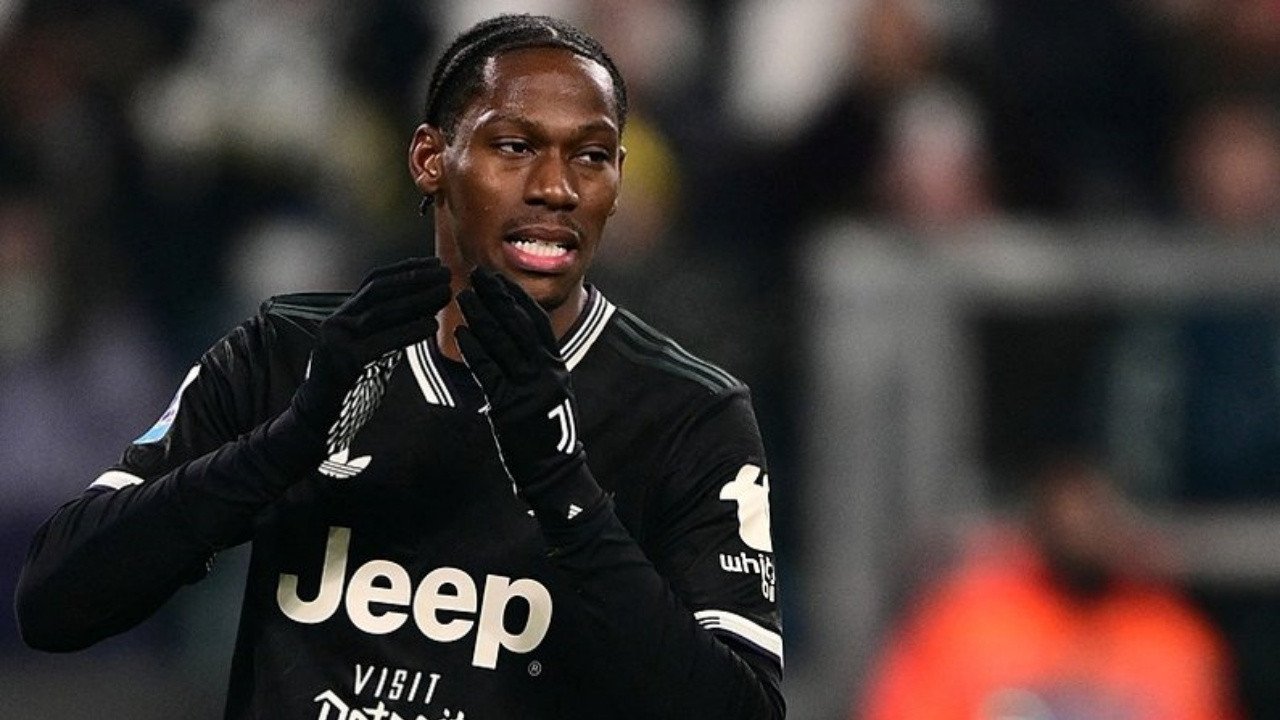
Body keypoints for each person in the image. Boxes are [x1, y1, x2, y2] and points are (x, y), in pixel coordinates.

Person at [15, 14, 784, 720]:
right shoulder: (290, 353)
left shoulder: (685, 413)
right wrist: (284, 447)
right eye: (514, 147)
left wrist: (563, 491)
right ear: (430, 159)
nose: (556, 188)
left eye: (590, 156)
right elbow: (54, 602)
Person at [853, 453, 1240, 720]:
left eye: (1097, 515)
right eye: (1070, 515)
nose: (1083, 529)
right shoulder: (966, 623)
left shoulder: (1171, 638)